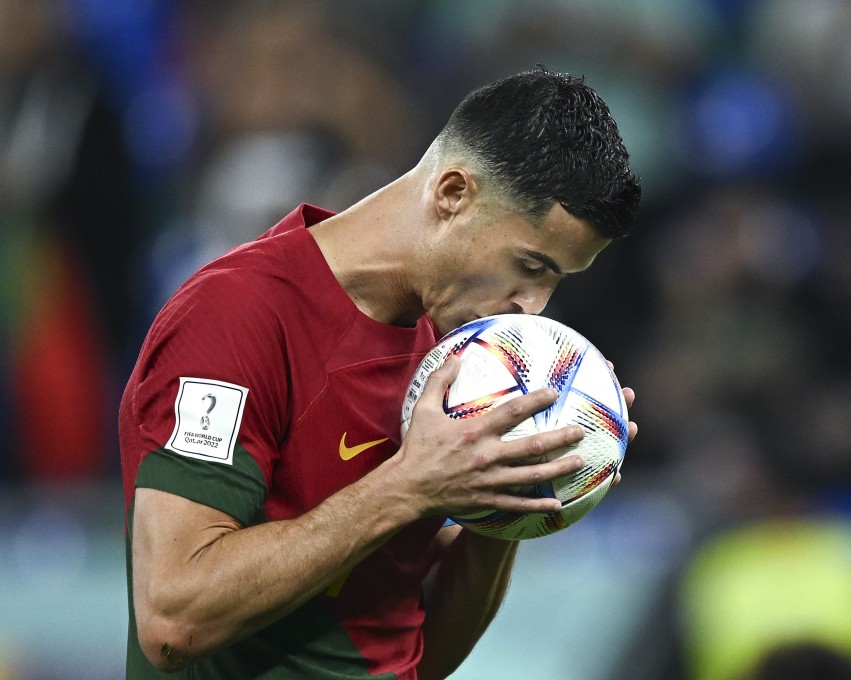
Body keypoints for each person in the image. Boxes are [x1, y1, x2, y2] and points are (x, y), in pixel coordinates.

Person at [119, 67, 641, 679]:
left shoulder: (465, 364)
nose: (534, 306)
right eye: (530, 265)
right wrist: (409, 486)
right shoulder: (237, 318)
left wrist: (516, 493)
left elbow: (411, 657)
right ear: (452, 193)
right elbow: (174, 621)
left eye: (556, 280)